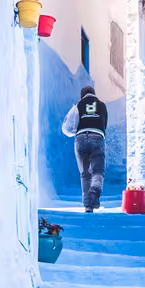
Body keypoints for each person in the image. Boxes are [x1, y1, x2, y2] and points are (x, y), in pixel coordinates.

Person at [61, 82, 107, 211]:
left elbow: (67, 126)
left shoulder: (78, 106)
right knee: (98, 171)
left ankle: (88, 206)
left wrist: (77, 132)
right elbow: (104, 125)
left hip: (80, 138)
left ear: (82, 96)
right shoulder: (102, 106)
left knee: (85, 174)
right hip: (97, 137)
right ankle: (94, 191)